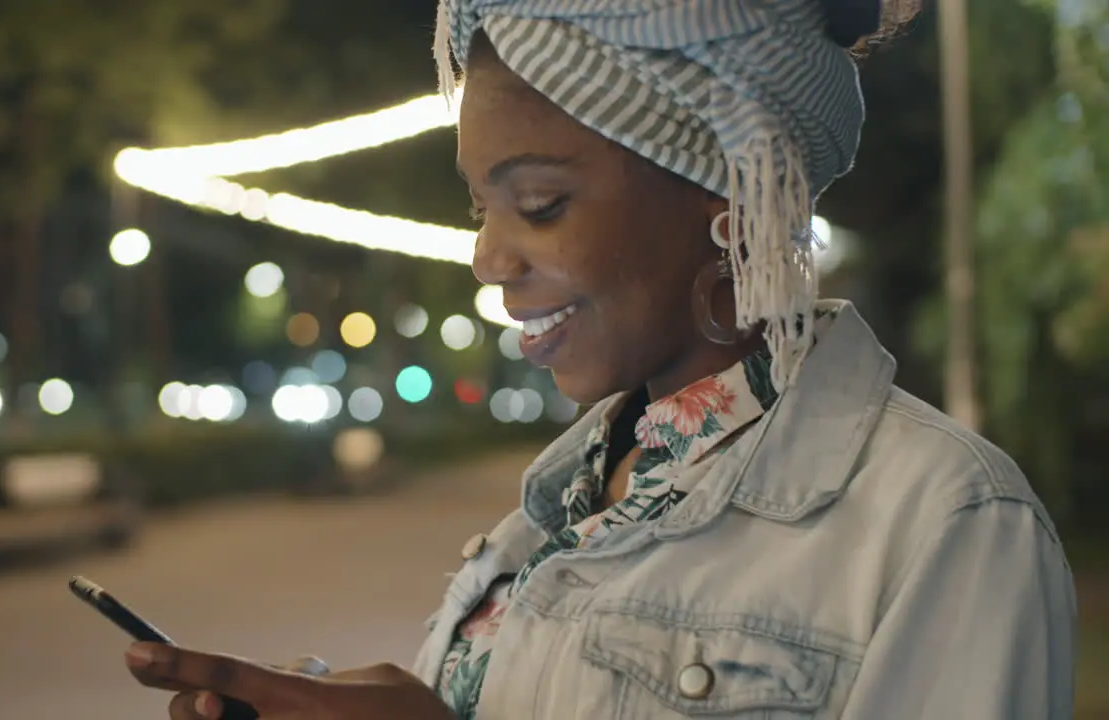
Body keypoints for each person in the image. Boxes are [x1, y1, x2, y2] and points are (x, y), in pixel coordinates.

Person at [124, 0, 1079, 717]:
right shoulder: (560, 510)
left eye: (539, 204)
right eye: (479, 209)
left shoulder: (945, 525)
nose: (488, 259)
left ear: (729, 209)